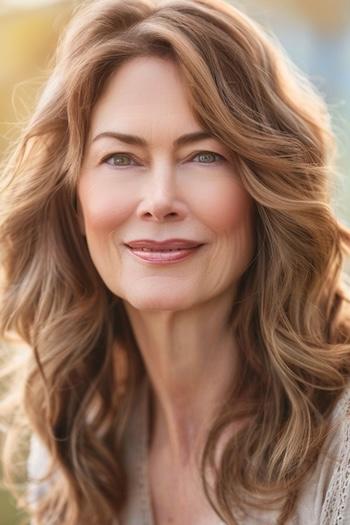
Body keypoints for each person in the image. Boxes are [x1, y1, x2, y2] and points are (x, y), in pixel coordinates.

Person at [1, 0, 350, 523]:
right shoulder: (74, 438)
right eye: (121, 158)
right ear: (73, 202)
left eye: (204, 155)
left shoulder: (340, 444)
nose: (159, 199)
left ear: (265, 190)